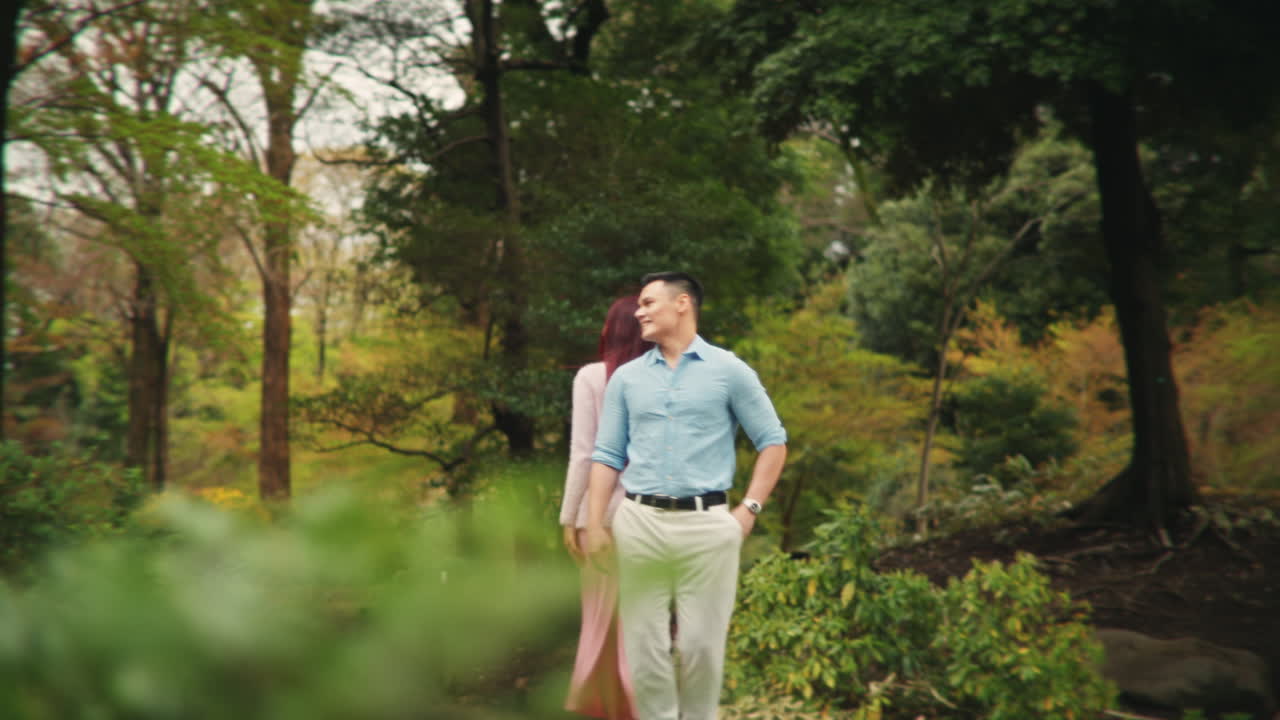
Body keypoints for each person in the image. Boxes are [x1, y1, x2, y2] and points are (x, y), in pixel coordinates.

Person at [584, 271, 788, 720]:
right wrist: (596, 523)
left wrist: (749, 510)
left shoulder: (729, 371)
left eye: (647, 302)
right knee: (644, 647)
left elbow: (773, 441)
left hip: (708, 523)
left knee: (700, 647)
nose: (638, 311)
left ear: (682, 305)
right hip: (639, 522)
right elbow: (606, 454)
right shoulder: (628, 379)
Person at [560, 295, 651, 720]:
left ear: (609, 331)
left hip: (601, 517)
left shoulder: (592, 377)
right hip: (653, 517)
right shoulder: (664, 378)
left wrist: (570, 519)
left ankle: (600, 709)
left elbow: (584, 455)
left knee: (598, 624)